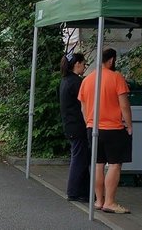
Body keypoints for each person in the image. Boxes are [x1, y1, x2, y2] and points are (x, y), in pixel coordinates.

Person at [78, 48, 132, 215]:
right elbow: (124, 105)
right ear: (111, 60)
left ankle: (99, 200)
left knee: (98, 163)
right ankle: (110, 202)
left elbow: (83, 107)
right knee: (115, 164)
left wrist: (89, 122)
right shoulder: (116, 78)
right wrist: (129, 125)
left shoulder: (87, 80)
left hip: (92, 128)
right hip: (113, 128)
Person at [59, 51, 89, 202]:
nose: (84, 67)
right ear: (77, 64)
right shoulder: (76, 82)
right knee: (79, 158)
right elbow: (85, 103)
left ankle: (84, 191)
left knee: (81, 157)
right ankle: (74, 191)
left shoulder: (66, 80)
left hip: (71, 125)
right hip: (78, 126)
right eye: (84, 64)